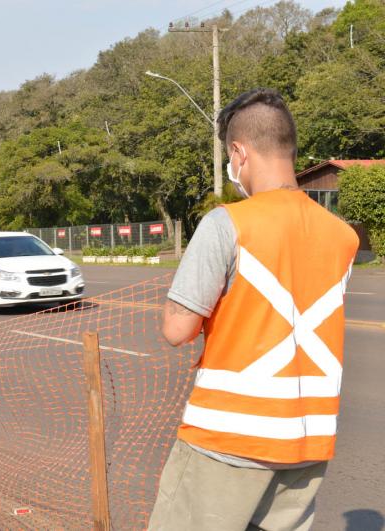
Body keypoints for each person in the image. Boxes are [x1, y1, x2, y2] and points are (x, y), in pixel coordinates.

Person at [148, 89, 359, 531]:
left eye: (230, 158)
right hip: (306, 438)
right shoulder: (342, 236)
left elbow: (177, 328)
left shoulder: (228, 223)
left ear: (239, 153)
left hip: (227, 438)